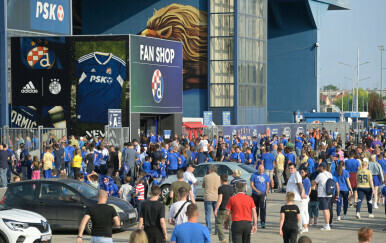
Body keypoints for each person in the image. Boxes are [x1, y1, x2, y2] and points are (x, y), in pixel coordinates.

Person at [312, 163, 333, 231]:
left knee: (325, 210)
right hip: (329, 194)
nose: (318, 168)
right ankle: (327, 223)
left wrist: (312, 181)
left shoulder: (320, 175)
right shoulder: (330, 174)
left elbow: (314, 183)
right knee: (328, 209)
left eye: (319, 167)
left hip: (322, 194)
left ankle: (327, 225)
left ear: (322, 168)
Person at [214, 174, 234, 243]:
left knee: (218, 224)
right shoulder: (232, 188)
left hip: (223, 209)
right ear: (227, 179)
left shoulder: (221, 188)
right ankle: (231, 241)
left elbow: (220, 199)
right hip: (231, 209)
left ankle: (222, 239)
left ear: (221, 180)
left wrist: (216, 209)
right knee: (231, 226)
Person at [202, 164, 221, 234]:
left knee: (208, 214)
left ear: (211, 170)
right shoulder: (219, 177)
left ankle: (209, 230)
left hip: (208, 197)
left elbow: (203, 185)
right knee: (216, 214)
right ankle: (217, 230)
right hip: (216, 197)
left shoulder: (206, 176)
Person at [286, 163, 304, 231]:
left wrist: (301, 194)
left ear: (295, 168)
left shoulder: (296, 174)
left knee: (296, 214)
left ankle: (300, 228)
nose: (290, 169)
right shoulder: (292, 175)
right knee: (291, 214)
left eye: (292, 168)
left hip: (295, 198)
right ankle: (294, 227)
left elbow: (300, 184)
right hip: (291, 198)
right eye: (289, 168)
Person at [300, 168, 311, 233]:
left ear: (306, 173)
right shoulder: (308, 180)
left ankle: (305, 226)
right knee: (305, 211)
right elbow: (309, 190)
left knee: (302, 211)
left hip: (303, 197)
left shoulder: (305, 180)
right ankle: (306, 226)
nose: (301, 174)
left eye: (302, 172)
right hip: (306, 196)